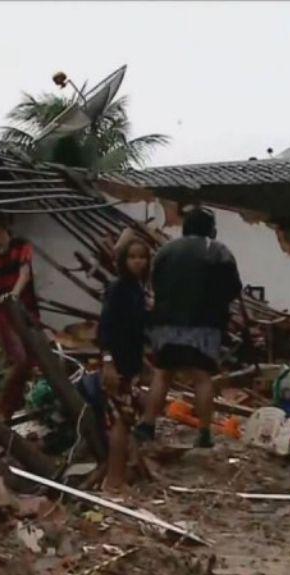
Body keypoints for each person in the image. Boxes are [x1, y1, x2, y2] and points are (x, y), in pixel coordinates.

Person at [136, 207, 242, 448]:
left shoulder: (165, 250)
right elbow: (233, 288)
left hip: (165, 325)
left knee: (163, 374)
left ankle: (147, 425)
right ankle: (204, 434)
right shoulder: (218, 251)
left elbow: (154, 283)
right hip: (204, 327)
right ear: (210, 228)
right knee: (202, 378)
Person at [98, 233, 151, 490]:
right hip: (117, 365)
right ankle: (114, 482)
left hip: (131, 365)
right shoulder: (118, 288)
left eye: (142, 257)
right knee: (121, 420)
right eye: (132, 257)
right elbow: (105, 328)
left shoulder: (137, 291)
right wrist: (108, 362)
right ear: (122, 260)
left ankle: (124, 471)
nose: (138, 262)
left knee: (128, 417)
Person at [0, 210, 39, 422]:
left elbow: (25, 273)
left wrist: (14, 295)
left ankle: (16, 408)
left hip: (27, 313)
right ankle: (1, 411)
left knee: (32, 362)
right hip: (5, 317)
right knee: (20, 361)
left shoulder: (22, 246)